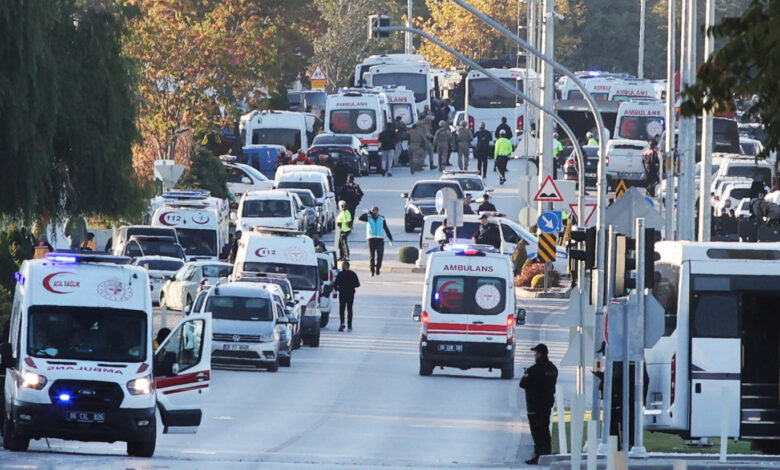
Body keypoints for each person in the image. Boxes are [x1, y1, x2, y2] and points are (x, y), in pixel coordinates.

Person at [520, 343, 558, 465]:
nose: (535, 356)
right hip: (547, 404)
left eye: (536, 353)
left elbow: (523, 384)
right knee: (545, 429)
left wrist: (526, 375)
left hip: (534, 405)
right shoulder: (553, 369)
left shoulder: (533, 370)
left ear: (540, 354)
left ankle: (539, 455)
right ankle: (547, 453)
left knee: (537, 431)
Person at [358, 206, 393, 276]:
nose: (375, 212)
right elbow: (360, 218)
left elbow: (386, 228)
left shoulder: (382, 218)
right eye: (373, 210)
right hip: (371, 239)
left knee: (380, 255)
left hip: (380, 239)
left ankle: (378, 268)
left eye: (376, 210)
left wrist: (390, 237)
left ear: (378, 211)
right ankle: (372, 270)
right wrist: (367, 213)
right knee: (372, 256)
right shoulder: (368, 218)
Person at [334, 261, 360, 332]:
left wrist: (338, 289)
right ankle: (349, 325)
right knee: (350, 309)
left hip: (342, 293)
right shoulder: (353, 274)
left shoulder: (340, 274)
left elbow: (335, 284)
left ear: (344, 266)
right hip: (350, 293)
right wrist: (351, 286)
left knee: (342, 309)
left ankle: (342, 323)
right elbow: (357, 284)